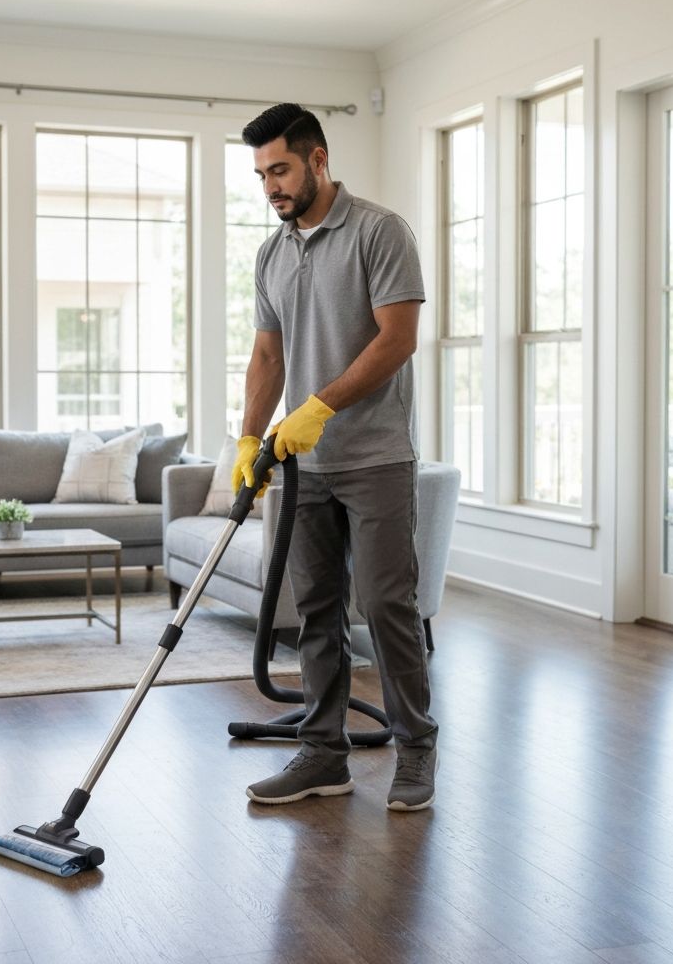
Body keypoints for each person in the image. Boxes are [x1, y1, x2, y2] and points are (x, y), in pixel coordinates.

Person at [233, 102, 438, 812]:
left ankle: (415, 750)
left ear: (319, 160)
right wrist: (246, 437)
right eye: (261, 175)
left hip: (375, 457)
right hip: (302, 468)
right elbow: (268, 354)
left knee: (385, 605)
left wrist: (319, 406)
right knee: (314, 609)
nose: (271, 188)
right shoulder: (273, 252)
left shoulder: (381, 233)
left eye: (281, 169)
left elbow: (397, 339)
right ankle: (323, 755)